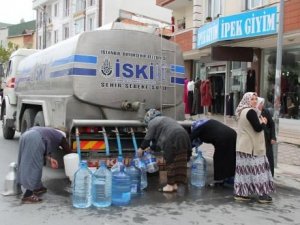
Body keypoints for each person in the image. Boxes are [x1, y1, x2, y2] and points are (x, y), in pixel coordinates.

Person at [234, 92, 275, 204]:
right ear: (247, 100)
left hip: (243, 147)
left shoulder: (242, 111)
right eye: (252, 99)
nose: (255, 101)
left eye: (256, 99)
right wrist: (263, 123)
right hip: (252, 148)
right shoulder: (251, 112)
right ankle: (262, 195)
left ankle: (241, 193)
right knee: (259, 170)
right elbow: (257, 128)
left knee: (244, 172)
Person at [137, 109, 191, 193]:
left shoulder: (153, 122)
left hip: (172, 137)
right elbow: (159, 143)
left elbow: (148, 138)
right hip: (184, 135)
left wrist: (141, 148)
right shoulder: (166, 120)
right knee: (180, 160)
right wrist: (151, 148)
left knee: (170, 160)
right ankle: (175, 184)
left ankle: (169, 186)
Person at [17, 126, 71, 204]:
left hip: (25, 136)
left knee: (25, 162)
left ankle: (37, 187)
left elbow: (43, 149)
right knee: (34, 166)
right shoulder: (61, 135)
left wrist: (50, 159)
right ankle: (28, 195)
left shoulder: (48, 132)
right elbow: (67, 149)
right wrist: (75, 158)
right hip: (34, 139)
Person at [190, 119, 236, 186]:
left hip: (222, 139)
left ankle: (219, 180)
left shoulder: (198, 129)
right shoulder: (208, 123)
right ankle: (230, 178)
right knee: (230, 157)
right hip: (233, 134)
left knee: (219, 158)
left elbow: (189, 139)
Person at [257, 97, 276, 177]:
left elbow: (272, 124)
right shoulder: (254, 113)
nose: (262, 105)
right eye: (260, 103)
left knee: (268, 157)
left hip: (267, 138)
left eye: (262, 103)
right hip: (258, 140)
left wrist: (273, 137)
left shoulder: (266, 112)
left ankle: (270, 175)